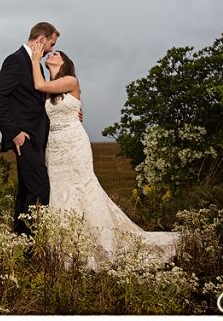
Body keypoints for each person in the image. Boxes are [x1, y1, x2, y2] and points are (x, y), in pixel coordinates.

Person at [28, 41, 179, 263]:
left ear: (65, 63)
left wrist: (35, 59)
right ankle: (65, 245)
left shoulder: (70, 80)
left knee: (82, 186)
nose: (51, 54)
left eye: (56, 53)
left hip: (74, 143)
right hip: (55, 145)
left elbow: (39, 85)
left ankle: (98, 241)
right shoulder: (50, 91)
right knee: (59, 189)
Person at [0, 22, 59, 235]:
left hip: (37, 138)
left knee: (27, 191)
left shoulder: (35, 65)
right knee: (39, 189)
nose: (51, 50)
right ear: (41, 40)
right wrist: (14, 133)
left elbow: (35, 103)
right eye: (51, 44)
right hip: (25, 139)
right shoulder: (16, 61)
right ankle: (31, 244)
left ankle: (20, 241)